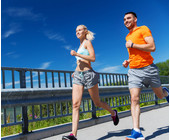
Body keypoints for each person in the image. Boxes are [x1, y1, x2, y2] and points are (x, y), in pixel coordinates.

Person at [62, 25, 119, 140]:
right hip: (78, 76)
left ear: (85, 31)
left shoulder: (87, 43)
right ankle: (73, 135)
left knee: (97, 103)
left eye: (79, 30)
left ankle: (113, 113)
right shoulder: (79, 46)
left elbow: (92, 58)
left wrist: (77, 54)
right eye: (76, 30)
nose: (77, 32)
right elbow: (81, 62)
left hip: (89, 75)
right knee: (75, 105)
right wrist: (75, 71)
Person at [123, 12, 169, 140]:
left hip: (149, 69)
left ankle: (166, 92)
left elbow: (152, 47)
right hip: (134, 71)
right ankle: (137, 132)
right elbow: (134, 54)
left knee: (160, 95)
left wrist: (132, 45)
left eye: (128, 18)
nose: (126, 21)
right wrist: (128, 61)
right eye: (124, 19)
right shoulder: (127, 36)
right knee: (134, 99)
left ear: (135, 19)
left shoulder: (143, 29)